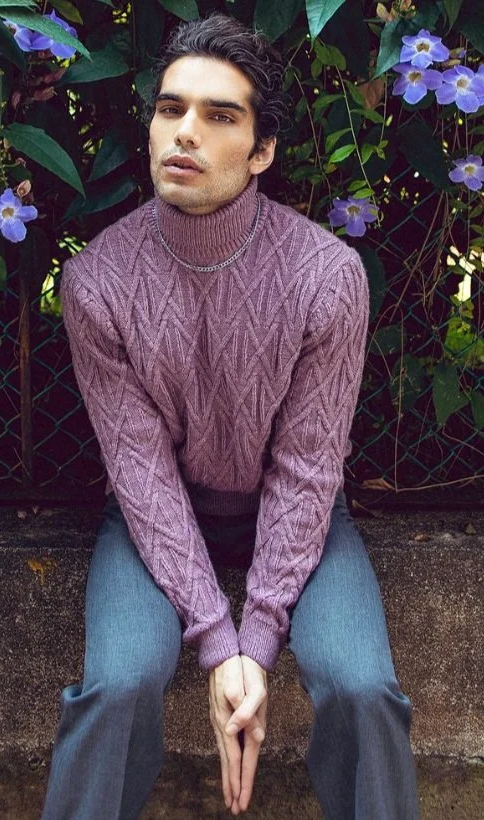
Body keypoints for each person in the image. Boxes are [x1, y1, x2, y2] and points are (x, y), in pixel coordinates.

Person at [41, 12, 419, 820]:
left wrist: (257, 639)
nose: (185, 132)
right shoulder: (98, 283)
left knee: (363, 688)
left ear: (261, 151)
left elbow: (309, 469)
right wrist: (221, 646)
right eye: (170, 108)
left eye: (219, 116)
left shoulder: (327, 275)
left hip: (301, 516)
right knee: (117, 684)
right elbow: (140, 476)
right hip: (154, 515)